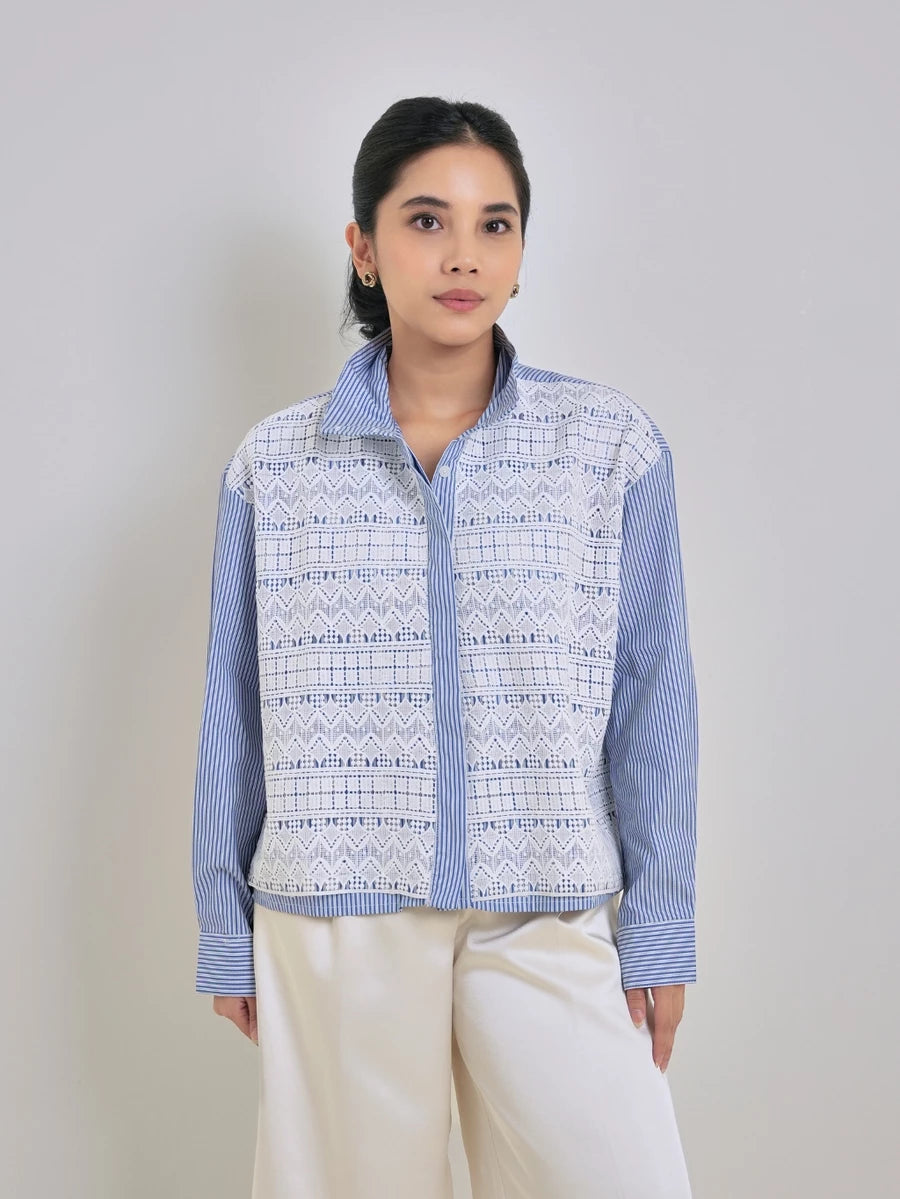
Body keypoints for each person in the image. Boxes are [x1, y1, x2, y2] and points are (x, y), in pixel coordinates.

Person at [192, 95, 699, 1199]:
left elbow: (652, 696)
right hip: (338, 907)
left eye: (494, 224)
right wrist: (223, 923)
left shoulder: (608, 448)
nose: (464, 253)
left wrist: (660, 921)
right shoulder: (275, 465)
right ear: (364, 248)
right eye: (426, 220)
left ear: (520, 252)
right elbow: (235, 709)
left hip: (546, 898)